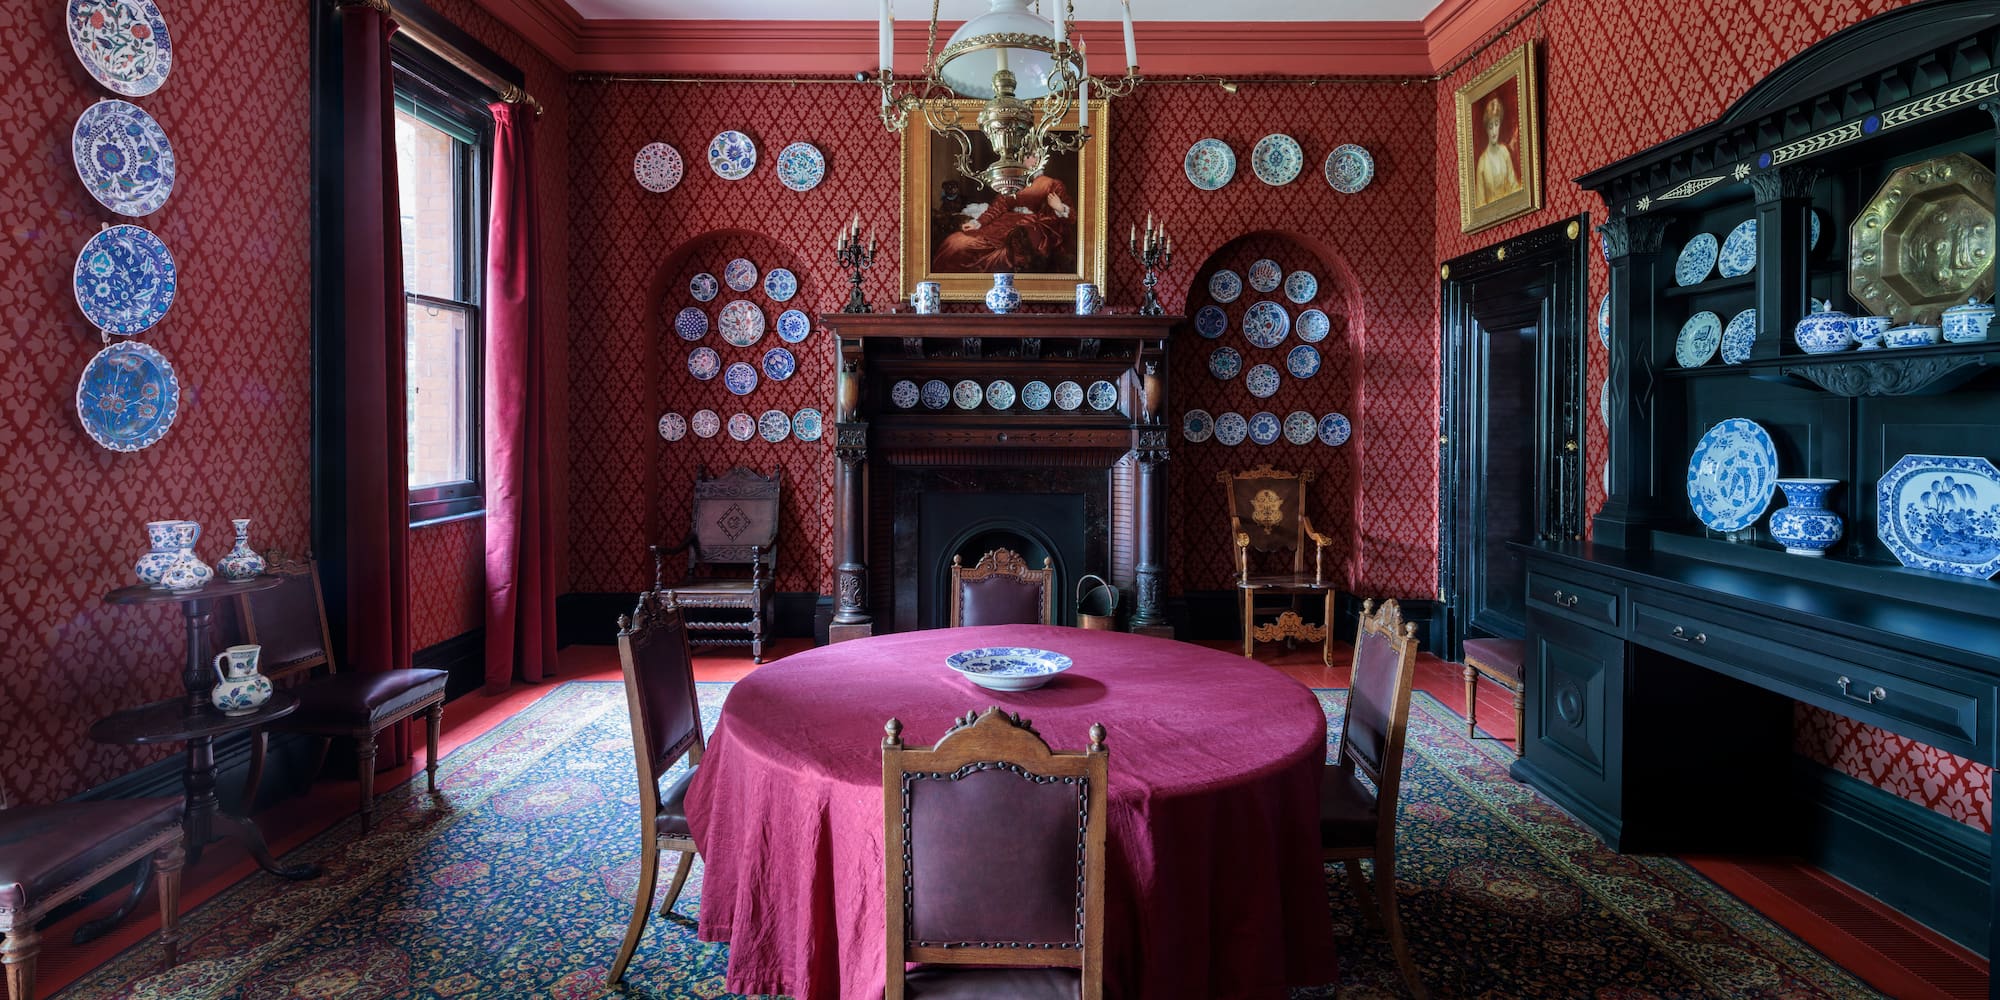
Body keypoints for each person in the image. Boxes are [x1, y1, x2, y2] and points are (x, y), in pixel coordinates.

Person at [932, 173, 1076, 274]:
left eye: (1030, 155)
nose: (1027, 159)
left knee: (1003, 253)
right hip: (1002, 223)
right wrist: (978, 223)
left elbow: (1072, 217)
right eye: (1023, 156)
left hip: (1028, 227)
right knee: (955, 241)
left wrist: (1060, 208)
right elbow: (997, 207)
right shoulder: (1013, 181)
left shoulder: (1051, 184)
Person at [1475, 94, 1522, 205]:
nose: (1494, 131)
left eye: (1496, 124)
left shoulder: (1504, 152)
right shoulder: (1482, 163)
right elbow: (1480, 203)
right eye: (1490, 126)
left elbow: (1514, 185)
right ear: (1486, 129)